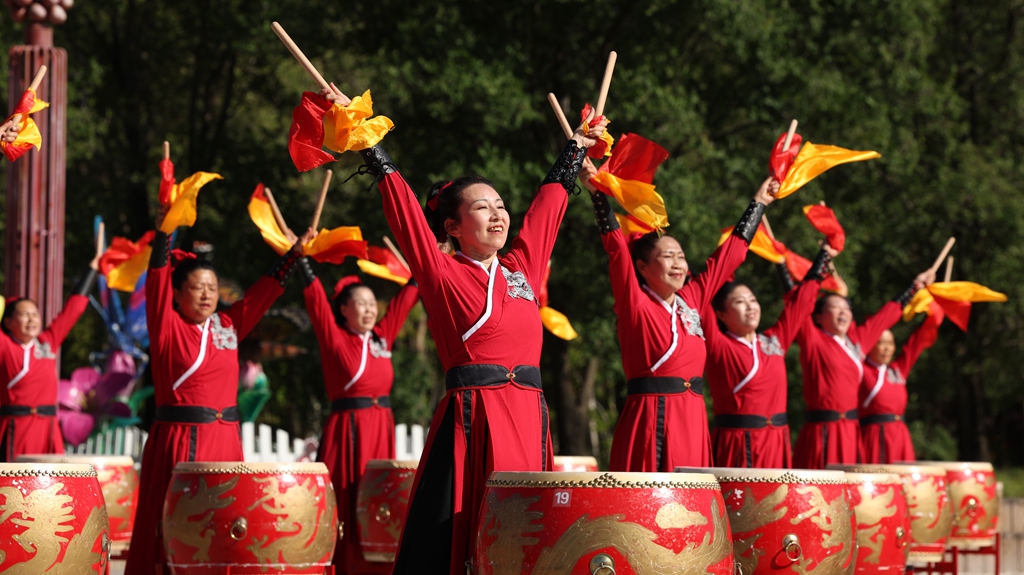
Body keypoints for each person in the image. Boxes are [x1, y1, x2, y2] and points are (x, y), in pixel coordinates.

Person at [321, 86, 606, 575]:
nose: (498, 214)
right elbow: (406, 214)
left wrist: (576, 146)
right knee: (465, 532)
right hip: (475, 416)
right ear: (452, 227)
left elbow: (546, 212)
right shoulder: (441, 272)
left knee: (526, 535)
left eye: (500, 205)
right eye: (482, 208)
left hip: (528, 413)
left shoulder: (521, 268)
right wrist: (369, 142)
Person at [124, 221, 313, 574]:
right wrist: (165, 228)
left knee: (225, 523)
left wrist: (293, 256)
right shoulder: (167, 326)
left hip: (225, 439)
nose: (206, 294)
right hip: (181, 438)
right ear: (176, 294)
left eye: (211, 287)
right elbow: (157, 276)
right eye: (197, 287)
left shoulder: (228, 324)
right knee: (178, 524)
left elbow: (262, 293)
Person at [580, 158, 778, 471]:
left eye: (681, 257)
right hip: (651, 416)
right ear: (643, 268)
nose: (678, 264)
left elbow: (728, 256)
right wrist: (597, 195)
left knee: (692, 495)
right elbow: (617, 251)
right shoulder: (634, 303)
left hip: (693, 417)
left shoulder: (692, 298)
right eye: (667, 256)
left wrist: (759, 203)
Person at [298, 263, 419, 572]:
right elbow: (317, 304)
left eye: (372, 303)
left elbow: (404, 302)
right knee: (345, 497)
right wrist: (302, 264)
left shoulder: (382, 337)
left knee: (378, 498)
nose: (369, 310)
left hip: (381, 427)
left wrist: (424, 267)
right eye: (361, 304)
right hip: (348, 429)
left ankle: (377, 566)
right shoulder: (335, 338)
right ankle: (342, 565)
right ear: (344, 309)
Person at [703, 246, 833, 468]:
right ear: (721, 314)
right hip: (737, 442)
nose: (750, 307)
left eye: (752, 300)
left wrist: (824, 256)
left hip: (777, 440)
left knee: (778, 492)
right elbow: (701, 297)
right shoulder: (719, 345)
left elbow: (800, 304)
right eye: (740, 302)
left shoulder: (775, 340)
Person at [792, 268, 936, 469]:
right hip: (822, 430)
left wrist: (915, 286)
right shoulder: (814, 340)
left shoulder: (857, 342)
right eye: (835, 307)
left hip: (851, 431)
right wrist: (795, 266)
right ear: (818, 317)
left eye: (846, 307)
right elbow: (796, 308)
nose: (843, 311)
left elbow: (885, 316)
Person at [0, 245, 100, 460]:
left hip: (48, 427)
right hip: (18, 427)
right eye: (24, 315)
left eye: (35, 314)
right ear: (7, 322)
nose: (32, 319)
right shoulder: (5, 345)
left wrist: (93, 269)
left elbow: (73, 309)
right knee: (17, 479)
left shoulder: (48, 342)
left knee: (53, 479)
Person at [858, 303, 944, 463]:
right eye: (881, 343)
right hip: (874, 435)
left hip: (899, 434)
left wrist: (930, 316)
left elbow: (915, 344)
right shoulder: (861, 369)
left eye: (890, 343)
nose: (887, 348)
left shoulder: (897, 369)